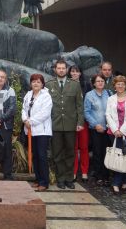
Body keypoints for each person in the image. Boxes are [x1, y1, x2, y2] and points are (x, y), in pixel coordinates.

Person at [46, 60, 84, 189]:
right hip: (55, 124)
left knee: (70, 152)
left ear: (67, 70)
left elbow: (79, 105)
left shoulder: (75, 85)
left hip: (70, 124)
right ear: (55, 70)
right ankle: (60, 179)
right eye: (59, 68)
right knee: (57, 153)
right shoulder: (49, 84)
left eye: (63, 68)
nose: (61, 70)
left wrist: (80, 122)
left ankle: (69, 178)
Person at [106, 75, 126, 194]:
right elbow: (108, 115)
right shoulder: (111, 99)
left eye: (122, 84)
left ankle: (116, 182)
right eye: (118, 84)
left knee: (125, 156)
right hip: (114, 132)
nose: (120, 86)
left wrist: (122, 130)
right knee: (117, 156)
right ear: (114, 86)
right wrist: (116, 130)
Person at [22, 74, 52, 191]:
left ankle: (44, 182)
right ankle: (38, 179)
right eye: (34, 81)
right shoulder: (28, 94)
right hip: (30, 130)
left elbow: (45, 113)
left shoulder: (46, 96)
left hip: (42, 131)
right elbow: (24, 110)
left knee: (42, 156)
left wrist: (31, 121)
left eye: (38, 82)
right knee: (35, 155)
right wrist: (25, 120)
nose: (36, 84)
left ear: (42, 84)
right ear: (31, 83)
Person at [84, 74, 110, 185]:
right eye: (98, 81)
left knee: (107, 152)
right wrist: (95, 125)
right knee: (97, 153)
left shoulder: (109, 93)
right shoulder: (89, 95)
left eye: (102, 81)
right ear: (94, 83)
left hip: (109, 128)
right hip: (96, 129)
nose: (100, 83)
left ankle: (106, 176)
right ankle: (98, 176)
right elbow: (86, 112)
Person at [69, 65, 90, 182]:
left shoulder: (86, 85)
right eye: (72, 71)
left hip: (83, 121)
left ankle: (84, 171)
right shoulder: (66, 85)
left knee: (84, 147)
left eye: (77, 71)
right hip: (70, 120)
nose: (75, 73)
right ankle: (73, 171)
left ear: (80, 73)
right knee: (73, 147)